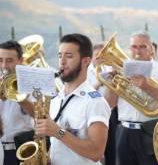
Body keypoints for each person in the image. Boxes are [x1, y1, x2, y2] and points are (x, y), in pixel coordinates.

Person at [35, 33, 111, 164]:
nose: (62, 62)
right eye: (60, 56)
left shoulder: (95, 101)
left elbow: (96, 152)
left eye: (69, 56)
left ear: (86, 61)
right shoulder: (55, 99)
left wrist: (57, 131)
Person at [105, 31, 158, 165]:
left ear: (151, 49)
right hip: (124, 132)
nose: (137, 51)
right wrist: (111, 84)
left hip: (152, 133)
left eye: (142, 47)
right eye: (134, 47)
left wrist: (147, 87)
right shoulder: (121, 70)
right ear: (129, 49)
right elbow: (110, 103)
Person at [0, 40, 34, 165]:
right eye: (0, 60)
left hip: (23, 148)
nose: (4, 66)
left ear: (20, 61)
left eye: (9, 60)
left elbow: (39, 115)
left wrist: (19, 97)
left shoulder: (31, 83)